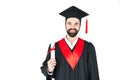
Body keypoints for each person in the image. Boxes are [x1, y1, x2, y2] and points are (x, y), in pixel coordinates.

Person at [41, 6, 100, 80]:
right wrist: (49, 69)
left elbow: (94, 74)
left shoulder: (88, 48)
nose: (72, 26)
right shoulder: (54, 47)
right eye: (69, 23)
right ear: (65, 24)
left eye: (76, 23)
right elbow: (44, 68)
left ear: (80, 25)